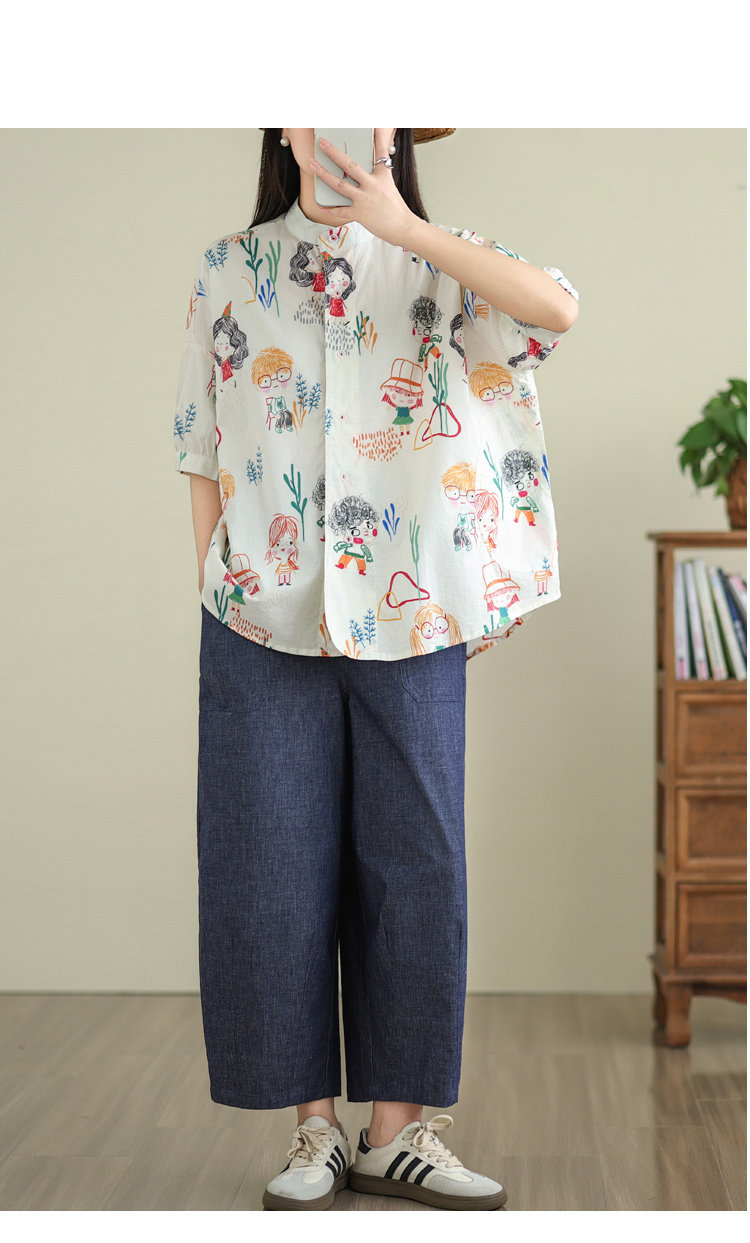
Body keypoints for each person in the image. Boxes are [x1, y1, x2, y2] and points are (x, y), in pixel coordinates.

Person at [172, 127, 579, 1211]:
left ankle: (398, 1132)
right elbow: (201, 442)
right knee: (270, 867)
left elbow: (555, 310)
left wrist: (406, 229)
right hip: (261, 616)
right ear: (285, 126)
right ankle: (313, 1130)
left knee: (418, 866)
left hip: (413, 615)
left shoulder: (440, 262)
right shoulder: (229, 268)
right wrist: (215, 578)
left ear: (396, 130)